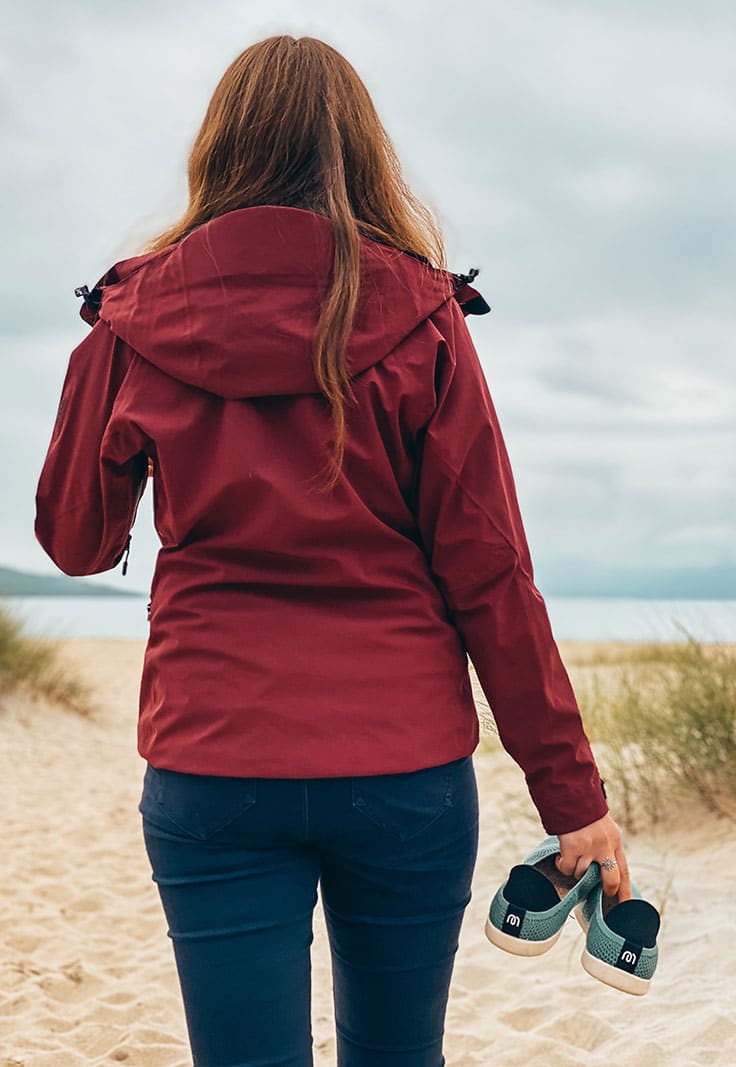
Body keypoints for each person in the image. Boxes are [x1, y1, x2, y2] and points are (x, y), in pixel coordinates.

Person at [34, 34, 630, 1067]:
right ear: (358, 154)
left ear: (217, 149)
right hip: (400, 767)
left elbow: (78, 542)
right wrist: (571, 800)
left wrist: (106, 357)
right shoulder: (424, 314)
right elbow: (490, 576)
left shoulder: (130, 317)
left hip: (213, 758)